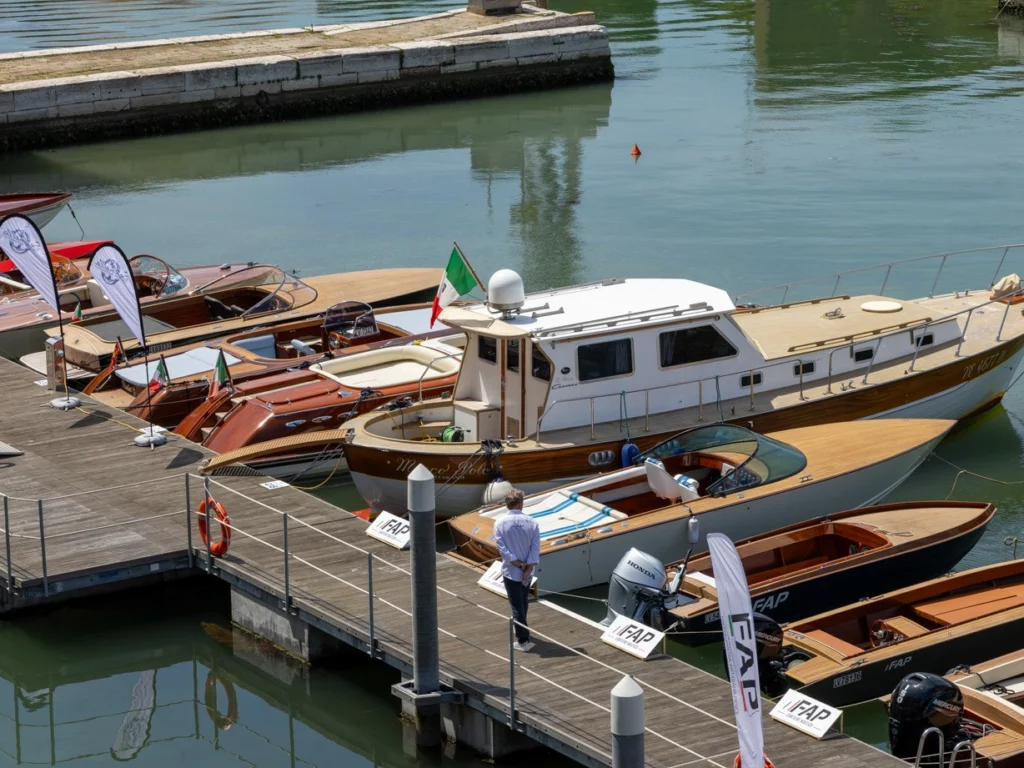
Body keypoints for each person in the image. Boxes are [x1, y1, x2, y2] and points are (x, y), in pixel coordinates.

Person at [493, 487, 540, 652]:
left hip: (511, 571)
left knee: (516, 606)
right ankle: (522, 629)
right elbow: (535, 548)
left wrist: (519, 564)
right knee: (523, 602)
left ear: (507, 504)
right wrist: (529, 566)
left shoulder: (499, 523)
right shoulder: (532, 522)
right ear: (521, 503)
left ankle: (523, 640)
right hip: (528, 570)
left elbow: (503, 550)